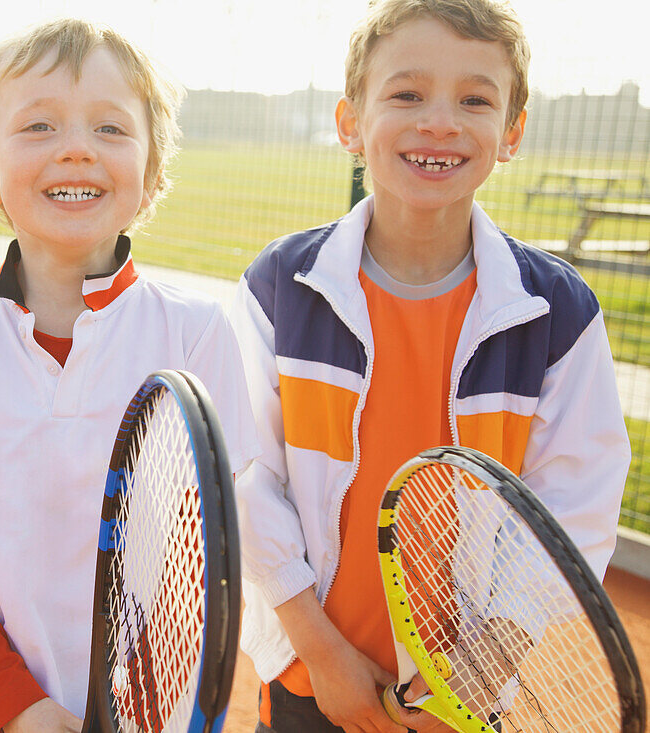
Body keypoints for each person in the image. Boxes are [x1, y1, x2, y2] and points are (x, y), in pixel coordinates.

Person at [228, 1, 630, 731]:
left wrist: (485, 665)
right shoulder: (279, 287)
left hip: (468, 696)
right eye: (407, 94)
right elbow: (246, 476)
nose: (439, 122)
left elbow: (575, 503)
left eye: (475, 100)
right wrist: (320, 654)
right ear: (351, 123)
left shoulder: (559, 313)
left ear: (512, 132)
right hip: (309, 675)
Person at [0, 18, 260, 733]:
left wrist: (135, 705)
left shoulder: (198, 332)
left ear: (152, 174)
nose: (76, 147)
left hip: (147, 713)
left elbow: (197, 559)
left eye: (110, 129)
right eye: (39, 126)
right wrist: (18, 709)